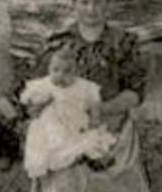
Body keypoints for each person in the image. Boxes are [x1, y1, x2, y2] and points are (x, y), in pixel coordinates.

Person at [23, 0, 158, 192]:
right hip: (65, 123)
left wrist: (102, 109)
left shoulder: (124, 42)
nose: (91, 10)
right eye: (84, 2)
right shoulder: (59, 43)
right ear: (74, 5)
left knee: (108, 172)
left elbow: (134, 93)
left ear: (108, 4)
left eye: (98, 2)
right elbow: (40, 90)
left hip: (110, 120)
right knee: (69, 170)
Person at [19, 45, 117, 181]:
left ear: (76, 72)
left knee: (89, 136)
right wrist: (42, 103)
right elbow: (30, 107)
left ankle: (94, 157)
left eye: (67, 71)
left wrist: (95, 117)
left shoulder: (83, 86)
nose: (60, 75)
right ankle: (68, 158)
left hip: (76, 121)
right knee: (56, 141)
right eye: (55, 70)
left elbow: (94, 102)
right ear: (49, 69)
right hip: (50, 123)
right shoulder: (43, 85)